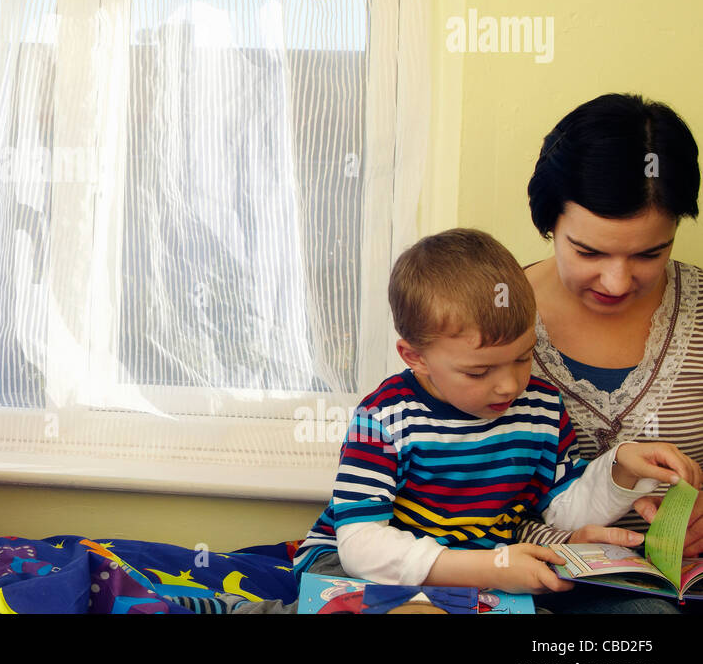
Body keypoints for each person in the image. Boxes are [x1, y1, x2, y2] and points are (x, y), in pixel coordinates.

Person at [293, 228, 700, 598]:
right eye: (479, 371)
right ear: (415, 357)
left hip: (484, 564)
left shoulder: (540, 407)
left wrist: (621, 470)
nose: (509, 385)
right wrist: (488, 567)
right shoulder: (382, 418)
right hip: (357, 566)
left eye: (523, 358)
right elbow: (361, 546)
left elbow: (560, 508)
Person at [517, 93, 703, 612]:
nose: (618, 282)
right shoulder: (481, 320)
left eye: (650, 253)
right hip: (527, 586)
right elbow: (434, 486)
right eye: (589, 251)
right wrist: (554, 546)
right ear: (548, 220)